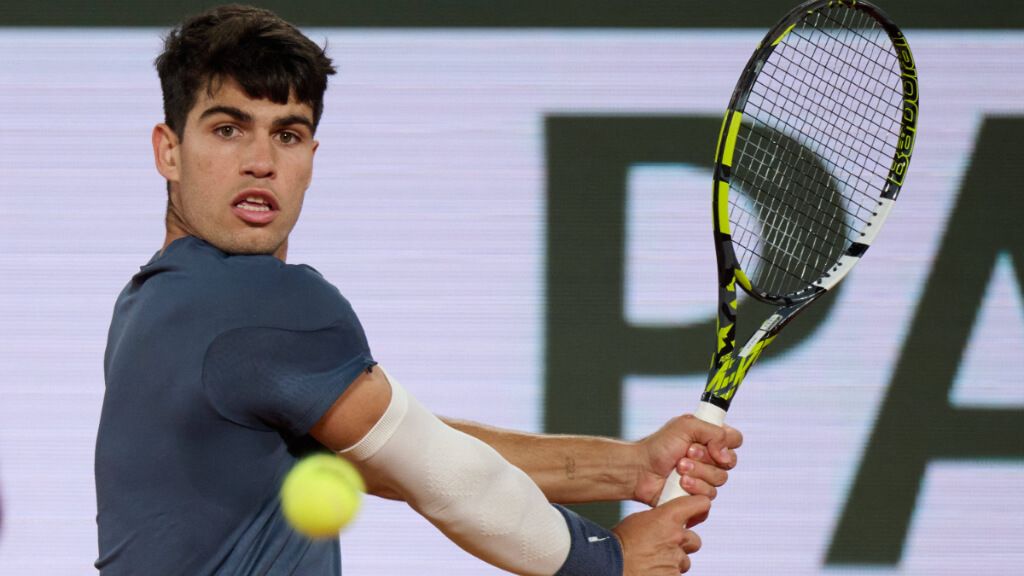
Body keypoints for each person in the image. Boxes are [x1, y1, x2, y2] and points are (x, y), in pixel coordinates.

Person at [93, 5, 743, 575]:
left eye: (286, 134)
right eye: (228, 128)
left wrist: (629, 468)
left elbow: (406, 449)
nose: (261, 160)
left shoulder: (151, 302)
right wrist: (611, 560)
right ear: (168, 150)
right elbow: (446, 475)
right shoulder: (263, 304)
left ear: (311, 155)